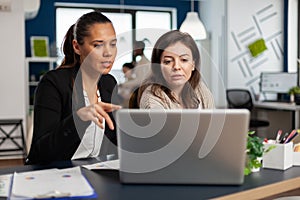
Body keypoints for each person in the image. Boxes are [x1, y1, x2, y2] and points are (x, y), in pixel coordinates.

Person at [26, 11, 121, 164]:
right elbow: (39, 153)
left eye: (113, 44)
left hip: (94, 171)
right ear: (77, 47)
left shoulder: (109, 83)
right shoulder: (53, 83)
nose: (108, 53)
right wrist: (78, 119)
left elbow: (114, 140)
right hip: (57, 176)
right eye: (98, 45)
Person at [138, 30, 214, 109]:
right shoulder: (151, 98)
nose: (176, 67)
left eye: (184, 60)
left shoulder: (200, 89)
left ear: (193, 65)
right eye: (168, 61)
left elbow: (214, 119)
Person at [118, 41, 151, 106]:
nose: (134, 50)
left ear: (140, 48)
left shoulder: (144, 63)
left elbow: (139, 81)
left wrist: (123, 84)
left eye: (135, 48)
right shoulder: (141, 62)